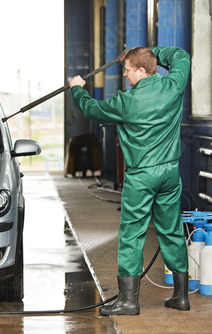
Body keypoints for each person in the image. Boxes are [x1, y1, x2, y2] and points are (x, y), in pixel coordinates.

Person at [69, 46, 191, 316]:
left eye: (127, 69)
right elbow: (182, 56)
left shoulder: (126, 102)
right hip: (170, 173)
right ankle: (181, 296)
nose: (124, 75)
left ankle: (128, 301)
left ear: (142, 70)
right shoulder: (174, 86)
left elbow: (91, 108)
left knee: (132, 233)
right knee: (171, 230)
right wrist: (152, 51)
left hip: (141, 176)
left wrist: (77, 88)